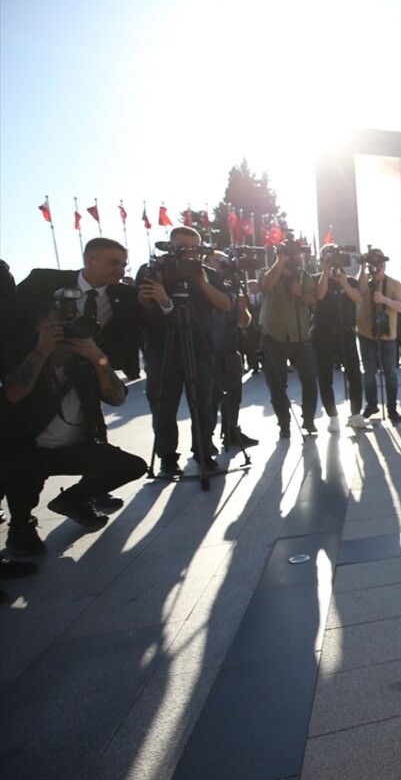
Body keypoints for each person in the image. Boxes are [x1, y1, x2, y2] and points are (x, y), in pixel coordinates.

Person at [1, 303, 147, 556]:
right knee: (20, 471)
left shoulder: (85, 362)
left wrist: (99, 358)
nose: (70, 332)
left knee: (133, 465)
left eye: (74, 325)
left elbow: (117, 398)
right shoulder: (22, 356)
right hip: (30, 448)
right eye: (61, 326)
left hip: (77, 448)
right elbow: (14, 393)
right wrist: (42, 349)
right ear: (40, 329)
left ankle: (74, 499)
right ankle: (21, 527)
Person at [137, 227, 233, 476]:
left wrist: (202, 282)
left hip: (200, 345)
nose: (188, 254)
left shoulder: (209, 274)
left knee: (205, 400)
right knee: (163, 402)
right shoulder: (154, 271)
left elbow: (225, 304)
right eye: (182, 247)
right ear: (170, 246)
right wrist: (157, 291)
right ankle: (167, 456)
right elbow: (142, 305)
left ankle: (204, 450)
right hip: (163, 346)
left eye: (193, 248)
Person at [6, 237, 145, 382]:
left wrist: (160, 304)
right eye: (114, 263)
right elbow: (7, 315)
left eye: (123, 265)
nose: (120, 271)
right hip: (33, 371)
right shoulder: (43, 281)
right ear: (90, 261)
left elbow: (152, 324)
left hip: (84, 378)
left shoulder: (127, 295)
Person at [259, 242, 320, 438]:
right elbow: (266, 286)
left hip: (301, 337)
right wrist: (280, 260)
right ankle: (284, 423)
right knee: (277, 384)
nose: (293, 258)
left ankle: (309, 419)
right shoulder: (268, 272)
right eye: (289, 255)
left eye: (294, 255)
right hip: (273, 337)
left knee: (310, 381)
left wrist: (300, 292)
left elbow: (313, 300)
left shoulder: (304, 276)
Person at [203, 250, 257, 450]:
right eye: (217, 261)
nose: (222, 264)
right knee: (210, 398)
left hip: (230, 347)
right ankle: (205, 441)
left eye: (224, 261)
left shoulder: (232, 288)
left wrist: (242, 306)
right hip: (208, 349)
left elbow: (244, 322)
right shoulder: (202, 285)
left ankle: (231, 430)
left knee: (234, 395)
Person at [312, 246, 365, 431]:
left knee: (355, 375)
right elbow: (319, 295)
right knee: (325, 376)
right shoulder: (316, 279)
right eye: (328, 257)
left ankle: (356, 414)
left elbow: (358, 298)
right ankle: (332, 416)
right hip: (323, 334)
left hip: (346, 332)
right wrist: (326, 274)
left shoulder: (349, 280)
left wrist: (344, 283)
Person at [354, 249, 401, 425]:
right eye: (373, 264)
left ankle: (392, 407)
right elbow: (359, 288)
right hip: (366, 333)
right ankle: (371, 404)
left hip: (388, 335)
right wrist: (362, 266)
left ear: (384, 265)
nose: (377, 268)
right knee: (368, 372)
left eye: (380, 264)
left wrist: (385, 300)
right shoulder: (365, 281)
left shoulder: (394, 284)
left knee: (390, 373)